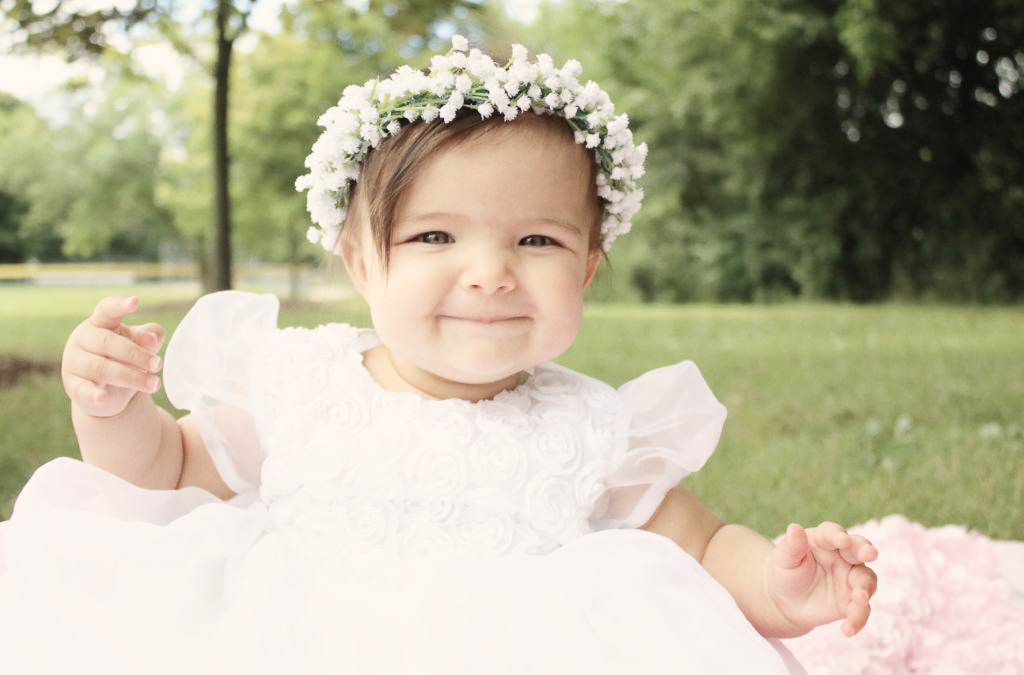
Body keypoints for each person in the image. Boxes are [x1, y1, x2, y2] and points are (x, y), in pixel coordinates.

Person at [0, 37, 875, 674]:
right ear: (360, 261)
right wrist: (111, 410)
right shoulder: (304, 385)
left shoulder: (588, 425)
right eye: (434, 235)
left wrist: (776, 583)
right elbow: (166, 468)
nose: (489, 274)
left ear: (590, 263)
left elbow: (704, 542)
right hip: (294, 640)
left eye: (536, 238)